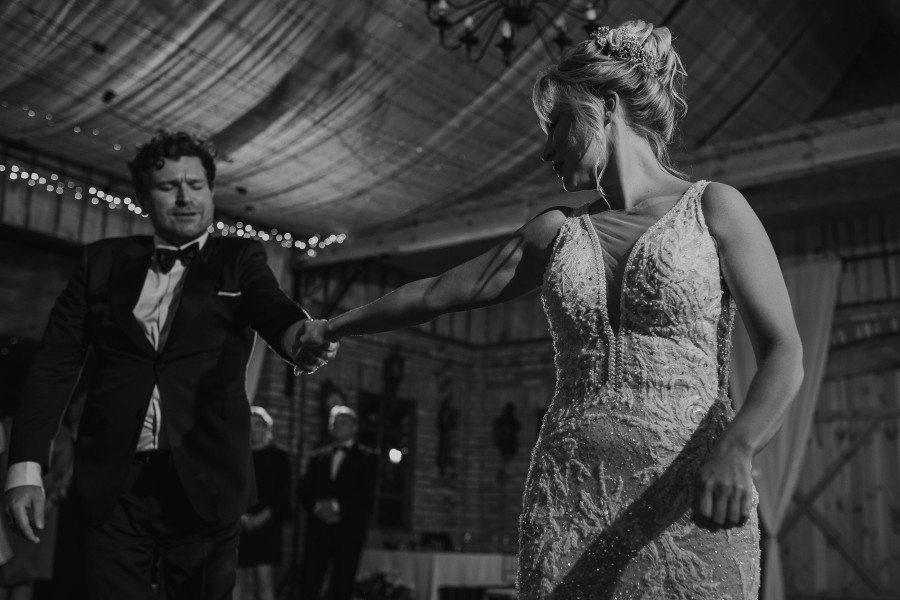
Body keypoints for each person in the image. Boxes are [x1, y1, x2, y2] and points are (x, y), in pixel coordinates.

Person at [297, 20, 804, 598]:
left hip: (690, 494)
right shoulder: (557, 232)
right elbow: (436, 293)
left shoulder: (715, 208)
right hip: (569, 499)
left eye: (556, 124)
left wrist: (738, 446)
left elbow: (784, 350)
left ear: (605, 106)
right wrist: (330, 326)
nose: (545, 151)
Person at [2, 130, 338, 600]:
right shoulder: (101, 262)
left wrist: (298, 334)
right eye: (168, 186)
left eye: (196, 185)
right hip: (113, 483)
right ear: (144, 197)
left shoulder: (237, 258)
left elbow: (270, 305)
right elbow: (55, 361)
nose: (185, 198)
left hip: (207, 479)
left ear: (211, 191)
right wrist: (24, 468)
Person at [297, 405, 378, 600]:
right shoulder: (318, 457)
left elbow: (365, 493)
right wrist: (318, 507)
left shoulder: (368, 457)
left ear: (354, 427)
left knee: (342, 586)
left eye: (343, 422)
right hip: (318, 531)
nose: (337, 425)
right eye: (334, 422)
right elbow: (304, 490)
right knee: (309, 585)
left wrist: (335, 506)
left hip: (348, 531)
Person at [234, 407, 291, 600]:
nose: (253, 430)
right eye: (249, 425)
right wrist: (242, 518)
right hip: (240, 524)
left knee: (265, 580)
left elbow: (283, 493)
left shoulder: (279, 457)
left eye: (257, 424)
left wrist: (261, 518)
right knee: (238, 580)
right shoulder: (238, 456)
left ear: (266, 427)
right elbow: (230, 490)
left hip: (268, 525)